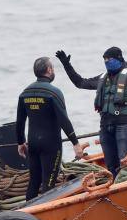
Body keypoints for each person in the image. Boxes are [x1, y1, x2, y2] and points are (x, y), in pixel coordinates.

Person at [55, 46, 127, 177]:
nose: (107, 61)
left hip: (124, 126)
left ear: (119, 58)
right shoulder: (102, 78)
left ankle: (126, 187)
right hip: (105, 127)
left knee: (124, 163)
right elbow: (80, 83)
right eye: (105, 59)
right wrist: (66, 64)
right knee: (110, 166)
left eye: (110, 58)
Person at [16, 57, 88, 201]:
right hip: (51, 145)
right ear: (49, 70)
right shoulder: (54, 93)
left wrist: (20, 142)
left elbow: (20, 122)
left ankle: (28, 216)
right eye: (52, 68)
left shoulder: (25, 93)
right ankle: (44, 217)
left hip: (33, 144)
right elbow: (64, 120)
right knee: (48, 184)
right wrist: (75, 143)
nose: (53, 70)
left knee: (34, 182)